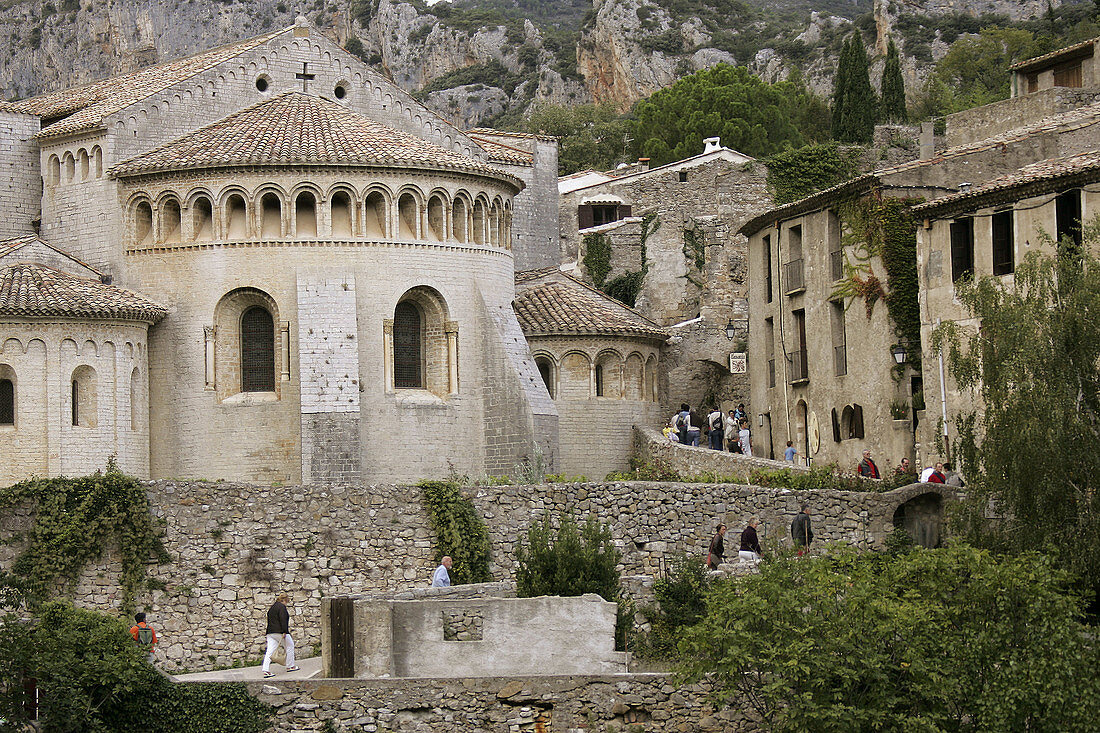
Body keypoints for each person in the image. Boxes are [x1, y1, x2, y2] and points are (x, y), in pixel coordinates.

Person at [262, 593, 298, 678]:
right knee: (290, 646)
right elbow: (283, 620)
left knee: (270, 651)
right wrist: (284, 631)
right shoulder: (281, 607)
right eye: (286, 601)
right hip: (280, 631)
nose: (286, 603)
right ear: (284, 600)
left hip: (270, 632)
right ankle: (290, 666)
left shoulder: (272, 608)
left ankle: (265, 670)